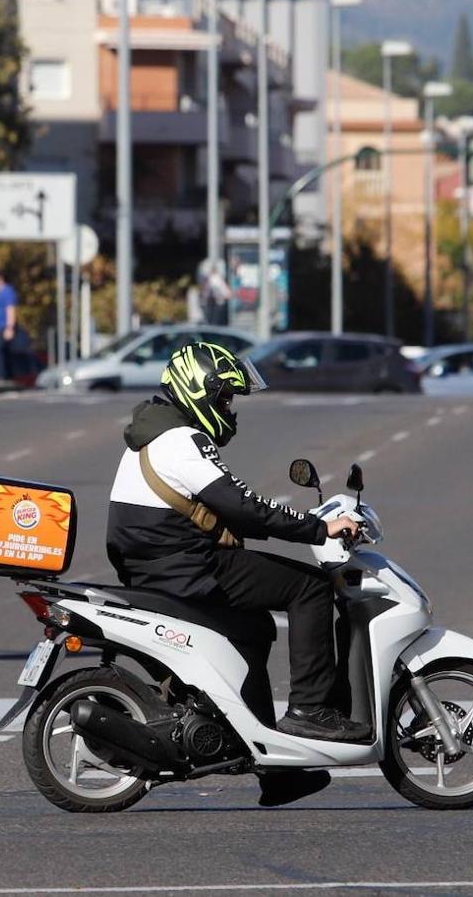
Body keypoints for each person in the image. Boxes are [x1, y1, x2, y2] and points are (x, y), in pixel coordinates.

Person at [106, 341, 366, 803]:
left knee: (253, 631)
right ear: (198, 392)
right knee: (308, 588)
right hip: (188, 567)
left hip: (161, 566)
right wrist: (319, 528)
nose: (230, 409)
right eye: (225, 398)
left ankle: (276, 768)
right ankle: (311, 711)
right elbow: (244, 507)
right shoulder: (179, 441)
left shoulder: (154, 434)